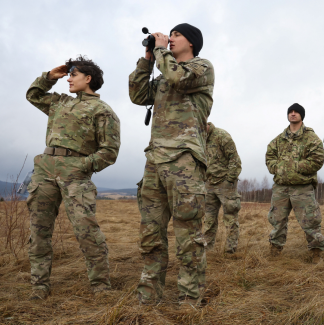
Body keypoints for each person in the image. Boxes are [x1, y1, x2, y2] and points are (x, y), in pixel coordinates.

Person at [129, 23, 214, 309]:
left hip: (185, 161)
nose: (171, 38)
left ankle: (189, 299)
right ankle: (148, 296)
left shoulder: (201, 67)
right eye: (170, 35)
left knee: (188, 235)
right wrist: (147, 59)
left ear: (192, 42)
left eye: (176, 34)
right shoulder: (164, 74)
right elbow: (138, 95)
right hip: (155, 161)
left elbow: (179, 79)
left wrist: (162, 49)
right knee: (151, 234)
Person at [26, 56, 120, 300]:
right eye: (68, 75)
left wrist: (81, 166)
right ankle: (39, 286)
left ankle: (100, 285)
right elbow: (33, 95)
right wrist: (49, 77)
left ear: (88, 79)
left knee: (86, 230)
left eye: (73, 74)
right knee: (39, 231)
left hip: (75, 174)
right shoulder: (59, 102)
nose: (68, 78)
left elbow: (109, 152)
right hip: (45, 170)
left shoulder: (103, 110)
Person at [266, 103, 324, 262]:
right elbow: (269, 157)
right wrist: (277, 168)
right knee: (277, 220)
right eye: (290, 112)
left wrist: (296, 167)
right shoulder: (278, 140)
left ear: (301, 116)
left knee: (310, 221)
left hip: (302, 188)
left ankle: (316, 252)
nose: (293, 114)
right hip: (281, 187)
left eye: (296, 112)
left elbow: (318, 159)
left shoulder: (311, 138)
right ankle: (275, 250)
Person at [204, 122, 242, 253]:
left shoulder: (222, 136)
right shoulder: (197, 138)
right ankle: (207, 250)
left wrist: (229, 180)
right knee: (208, 219)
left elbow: (235, 160)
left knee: (230, 217)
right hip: (208, 184)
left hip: (225, 184)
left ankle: (230, 250)